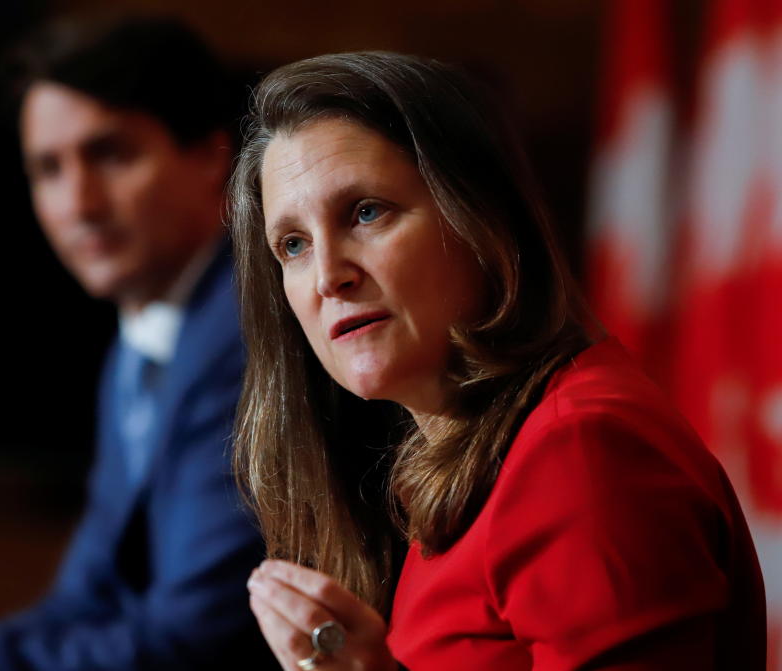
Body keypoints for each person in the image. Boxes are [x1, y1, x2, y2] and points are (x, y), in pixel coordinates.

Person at [229, 52, 767, 670]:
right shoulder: (453, 462)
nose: (328, 275)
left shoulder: (580, 453)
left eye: (366, 212)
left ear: (482, 220)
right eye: (292, 245)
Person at [0, 15, 276, 671]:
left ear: (210, 156)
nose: (78, 203)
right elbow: (85, 601)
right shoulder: (143, 341)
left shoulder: (246, 333)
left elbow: (194, 639)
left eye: (111, 154)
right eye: (48, 169)